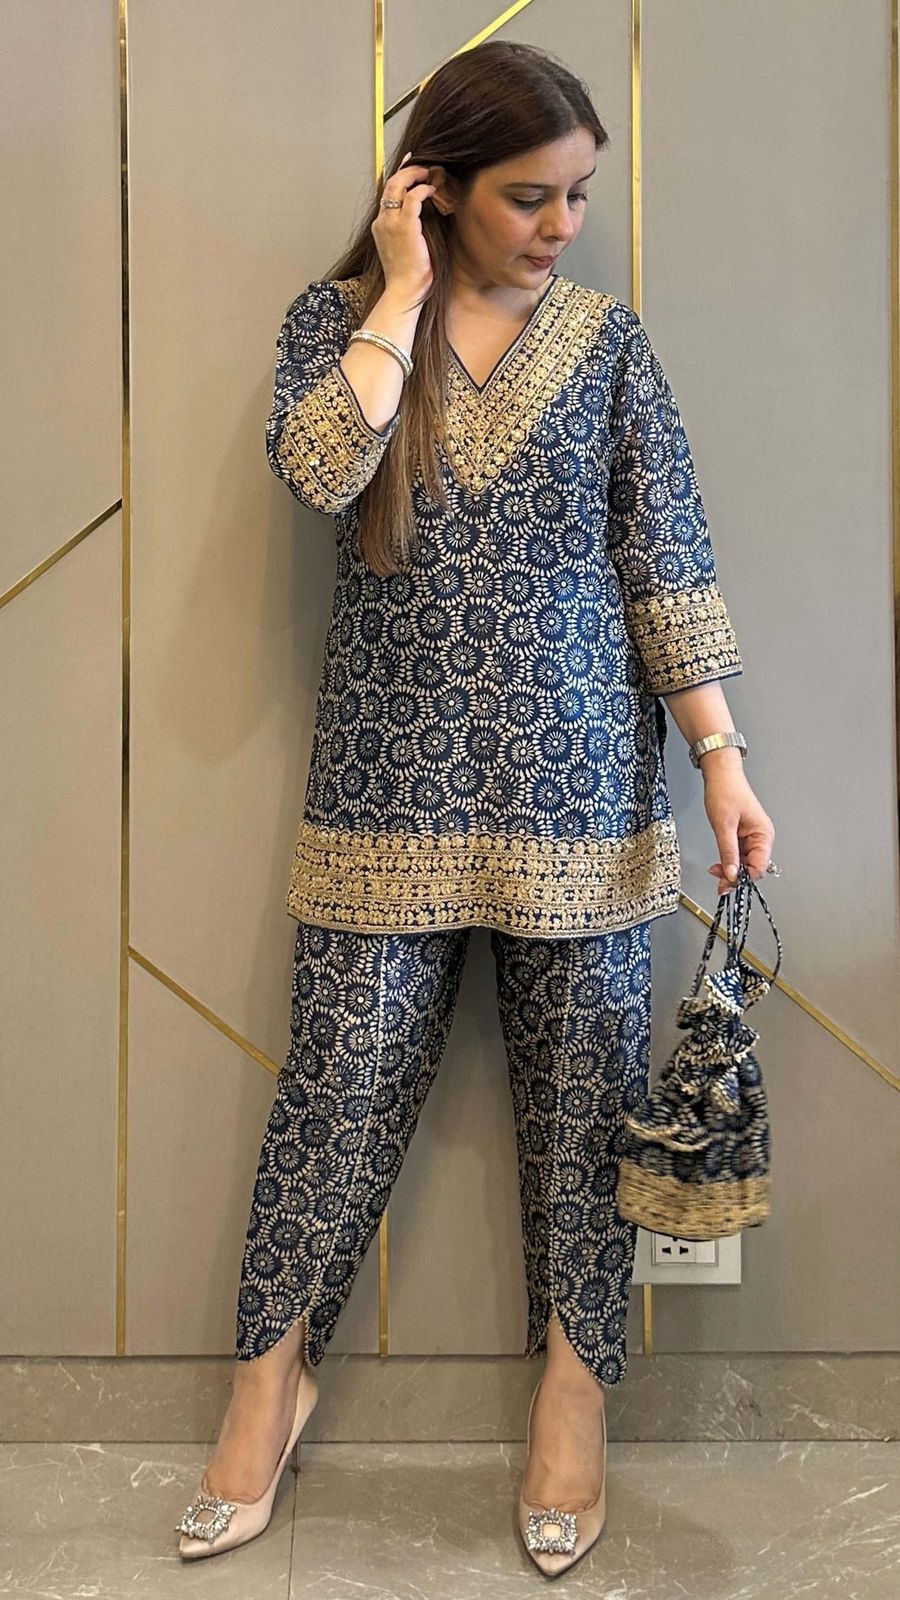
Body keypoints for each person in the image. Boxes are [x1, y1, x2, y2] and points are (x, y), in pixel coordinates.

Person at [175, 39, 776, 1577]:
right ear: (434, 188)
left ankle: (572, 1404)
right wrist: (397, 291)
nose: (563, 225)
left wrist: (721, 756)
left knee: (584, 1116)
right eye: (529, 197)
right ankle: (267, 1388)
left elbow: (666, 559)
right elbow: (320, 472)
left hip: (583, 801)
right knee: (336, 1093)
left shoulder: (611, 345)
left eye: (578, 195)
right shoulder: (338, 327)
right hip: (382, 796)